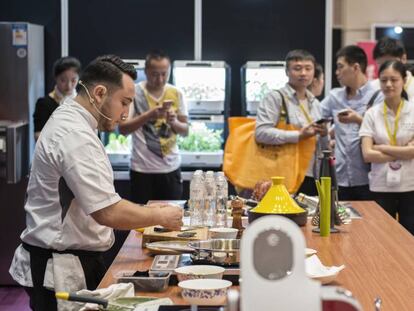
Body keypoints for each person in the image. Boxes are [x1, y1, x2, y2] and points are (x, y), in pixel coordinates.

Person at [9, 55, 183, 311]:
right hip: (59, 269)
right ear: (99, 93)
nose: (125, 114)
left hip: (72, 260)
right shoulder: (73, 133)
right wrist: (160, 215)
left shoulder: (77, 121)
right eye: (124, 103)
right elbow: (107, 211)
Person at [119, 50, 189, 204]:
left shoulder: (176, 93)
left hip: (171, 168)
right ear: (145, 72)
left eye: (164, 74)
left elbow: (185, 131)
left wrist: (174, 121)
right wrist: (148, 115)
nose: (160, 79)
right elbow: (123, 128)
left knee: (172, 219)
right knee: (142, 222)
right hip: (141, 169)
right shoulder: (134, 93)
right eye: (155, 74)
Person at [255, 49, 328, 196]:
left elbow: (322, 145)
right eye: (297, 68)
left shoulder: (315, 103)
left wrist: (325, 134)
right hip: (282, 174)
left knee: (305, 218)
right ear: (287, 72)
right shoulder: (275, 98)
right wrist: (298, 135)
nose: (303, 73)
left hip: (311, 174)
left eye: (308, 68)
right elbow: (261, 133)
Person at [320, 45, 383, 201]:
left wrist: (358, 120)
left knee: (369, 222)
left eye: (340, 67)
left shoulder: (378, 95)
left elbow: (384, 132)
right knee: (341, 222)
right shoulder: (334, 96)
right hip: (340, 176)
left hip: (368, 177)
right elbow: (315, 118)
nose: (337, 72)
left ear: (355, 67)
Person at [360, 60, 414, 235]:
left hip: (410, 185)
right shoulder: (371, 114)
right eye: (384, 80)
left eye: (394, 79)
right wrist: (404, 152)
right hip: (380, 185)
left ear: (404, 80)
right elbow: (367, 154)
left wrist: (381, 147)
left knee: (409, 236)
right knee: (381, 236)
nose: (389, 84)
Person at [33, 56, 82, 140]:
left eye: (73, 80)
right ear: (56, 78)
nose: (69, 85)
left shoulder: (82, 102)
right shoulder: (44, 103)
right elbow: (38, 135)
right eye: (63, 80)